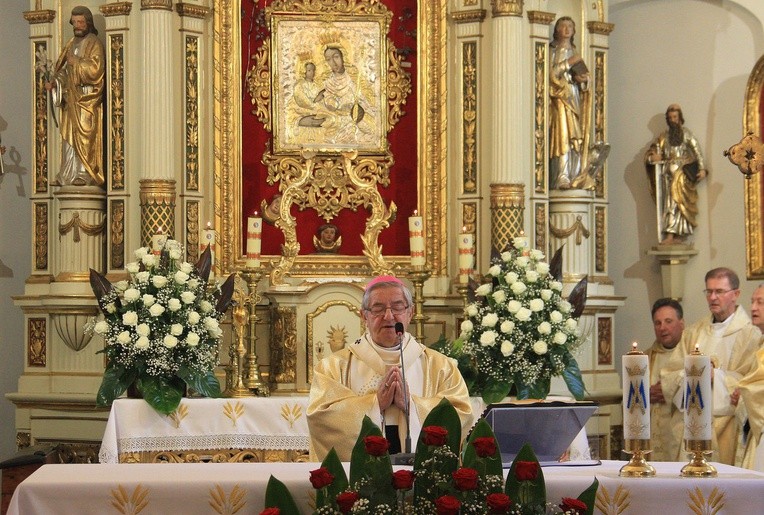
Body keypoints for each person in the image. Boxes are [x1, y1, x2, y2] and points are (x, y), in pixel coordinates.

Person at [307, 276, 473, 461]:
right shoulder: (333, 367)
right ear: (364, 316)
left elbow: (461, 414)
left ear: (410, 313)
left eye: (397, 307)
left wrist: (412, 406)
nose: (388, 316)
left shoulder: (441, 366)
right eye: (378, 308)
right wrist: (375, 404)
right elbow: (321, 418)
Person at [661, 268, 760, 465]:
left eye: (719, 291)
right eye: (709, 291)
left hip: (726, 427)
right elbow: (669, 374)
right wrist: (690, 374)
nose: (713, 297)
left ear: (736, 294)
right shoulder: (693, 332)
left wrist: (718, 377)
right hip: (690, 425)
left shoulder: (751, 334)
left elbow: (752, 383)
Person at [45, 6, 105, 187]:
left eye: (81, 22)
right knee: (68, 138)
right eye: (75, 22)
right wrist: (55, 82)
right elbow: (64, 71)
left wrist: (77, 62)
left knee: (85, 137)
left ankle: (84, 174)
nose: (77, 26)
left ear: (88, 23)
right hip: (71, 99)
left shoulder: (93, 42)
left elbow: (97, 69)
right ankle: (67, 174)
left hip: (87, 99)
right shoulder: (71, 43)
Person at [645, 104, 707, 245]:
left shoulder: (686, 134)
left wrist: (702, 169)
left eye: (675, 117)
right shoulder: (663, 137)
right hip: (667, 176)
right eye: (670, 118)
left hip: (682, 176)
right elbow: (652, 153)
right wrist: (652, 157)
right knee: (669, 205)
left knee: (680, 204)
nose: (673, 120)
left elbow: (697, 151)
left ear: (680, 119)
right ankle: (670, 234)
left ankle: (680, 233)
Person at [549, 17, 593, 190]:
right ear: (557, 30)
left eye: (570, 26)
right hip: (559, 99)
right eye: (563, 26)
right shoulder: (552, 51)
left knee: (576, 138)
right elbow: (549, 74)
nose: (567, 29)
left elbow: (585, 82)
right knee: (562, 136)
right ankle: (561, 176)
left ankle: (574, 174)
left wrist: (583, 80)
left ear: (574, 31)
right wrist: (569, 63)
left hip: (573, 97)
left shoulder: (574, 51)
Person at [646, 298, 685, 460]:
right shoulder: (645, 358)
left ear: (682, 323)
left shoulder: (691, 357)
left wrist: (670, 390)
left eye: (668, 321)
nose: (663, 328)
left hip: (680, 435)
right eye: (658, 323)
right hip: (652, 440)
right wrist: (645, 395)